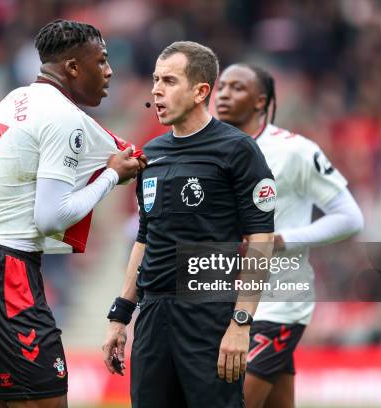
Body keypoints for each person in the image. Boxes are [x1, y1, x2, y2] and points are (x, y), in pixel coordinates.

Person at [0, 19, 145, 408]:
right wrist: (111, 176)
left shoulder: (14, 99)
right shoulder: (64, 117)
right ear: (72, 67)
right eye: (101, 61)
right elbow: (50, 218)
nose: (110, 71)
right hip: (4, 270)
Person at [102, 41, 276, 407]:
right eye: (154, 80)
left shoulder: (237, 150)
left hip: (209, 315)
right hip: (153, 318)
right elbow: (145, 238)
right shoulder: (152, 155)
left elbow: (261, 238)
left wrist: (241, 322)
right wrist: (120, 315)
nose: (156, 90)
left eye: (169, 80)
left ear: (200, 91)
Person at [215, 63, 364, 408]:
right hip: (224, 301)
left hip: (278, 302)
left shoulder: (295, 150)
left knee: (231, 402)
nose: (224, 94)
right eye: (221, 86)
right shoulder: (209, 150)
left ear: (260, 101)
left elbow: (350, 217)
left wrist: (281, 240)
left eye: (237, 88)